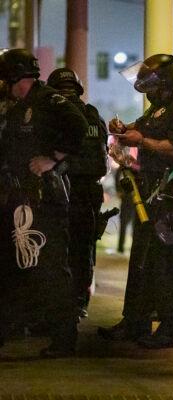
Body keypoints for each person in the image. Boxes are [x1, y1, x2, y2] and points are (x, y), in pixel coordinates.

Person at [97, 54, 173, 349]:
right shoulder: (163, 105)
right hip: (152, 193)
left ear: (166, 83)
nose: (149, 93)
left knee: (169, 264)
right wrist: (122, 129)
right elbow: (143, 126)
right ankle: (134, 321)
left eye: (152, 87)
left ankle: (172, 330)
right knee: (142, 260)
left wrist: (139, 142)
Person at [0, 49, 88, 357]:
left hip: (43, 199)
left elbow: (80, 128)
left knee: (50, 270)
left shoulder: (48, 101)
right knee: (11, 268)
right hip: (18, 199)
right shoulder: (17, 108)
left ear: (14, 77)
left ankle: (64, 340)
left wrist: (53, 159)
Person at [47, 67, 108, 319]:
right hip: (89, 193)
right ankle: (79, 302)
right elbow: (102, 159)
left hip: (58, 191)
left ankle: (56, 307)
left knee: (53, 249)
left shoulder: (52, 113)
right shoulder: (93, 115)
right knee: (84, 251)